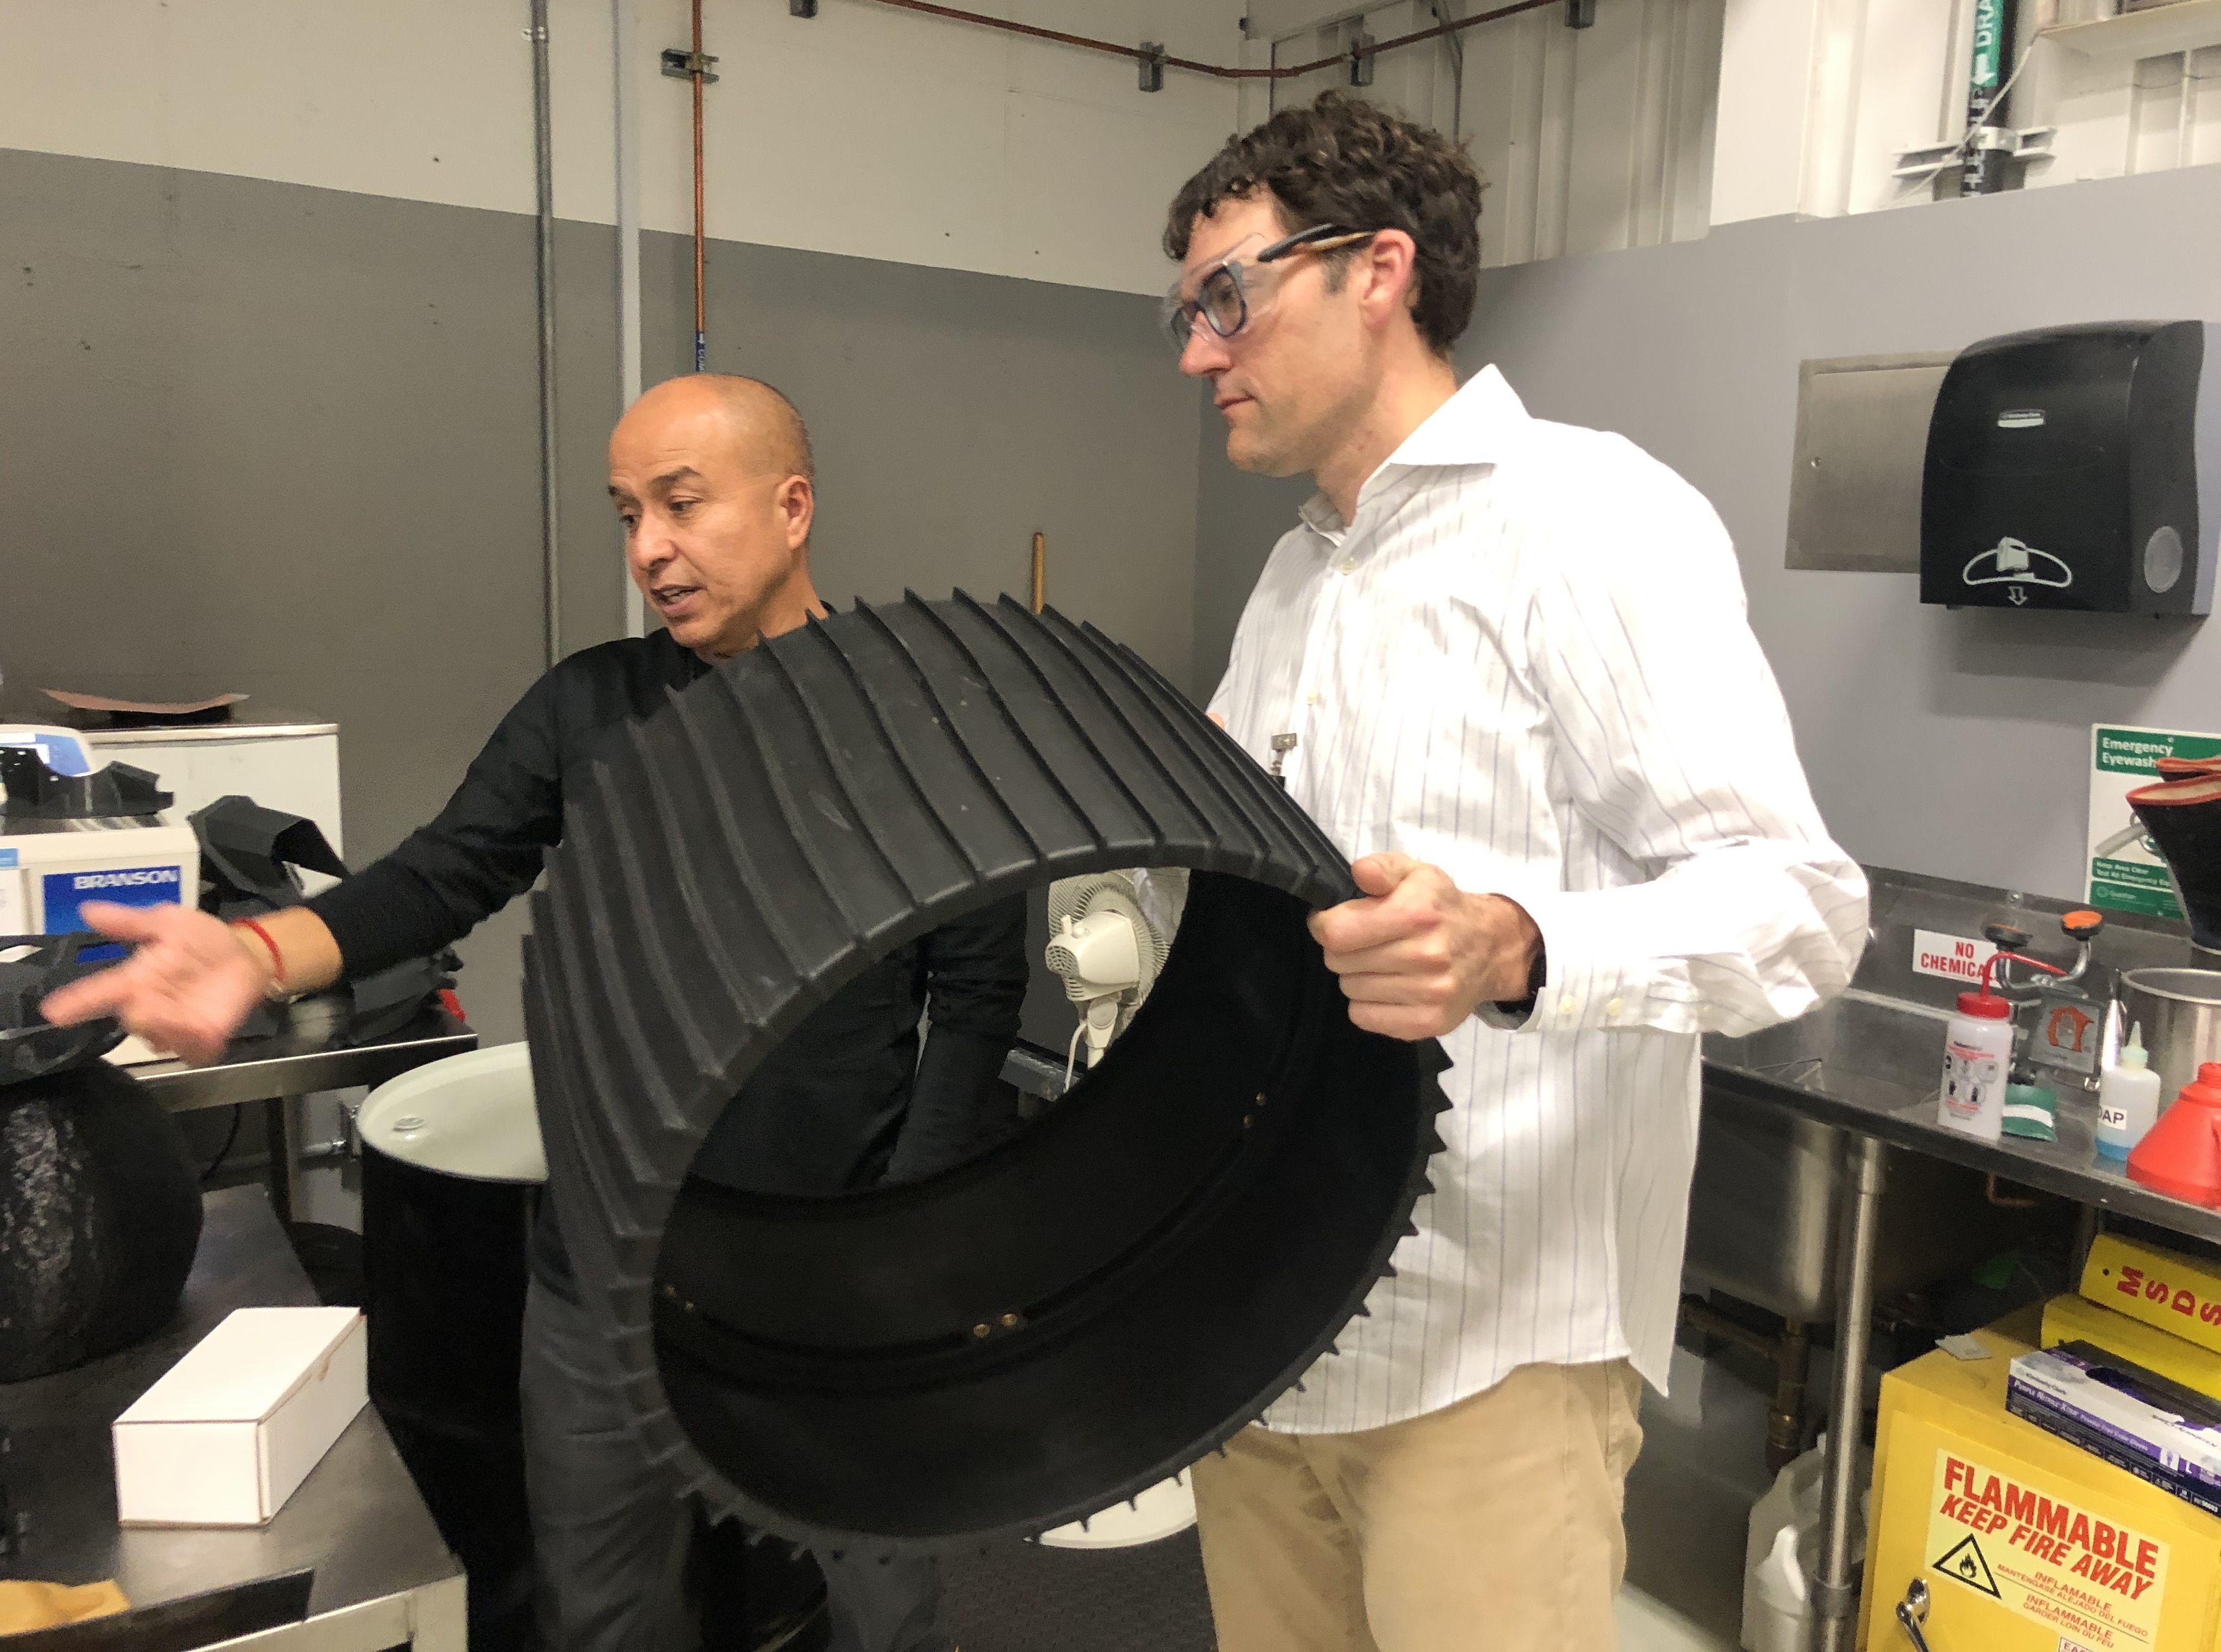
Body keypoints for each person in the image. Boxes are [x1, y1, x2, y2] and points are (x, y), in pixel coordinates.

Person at [42, 373, 1025, 1652]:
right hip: (603, 1278)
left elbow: (978, 988)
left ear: (793, 509)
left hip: (831, 1270)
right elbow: (445, 869)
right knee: (601, 1616)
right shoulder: (590, 706)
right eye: (626, 515)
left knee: (881, 1609)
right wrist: (263, 949)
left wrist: (910, 1224)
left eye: (681, 504)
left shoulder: (917, 722)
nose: (649, 551)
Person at [1162, 94, 1868, 1650]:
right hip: (1266, 1327)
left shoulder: (1585, 522)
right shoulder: (1297, 577)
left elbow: (1804, 908)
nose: (1200, 354)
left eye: (1230, 297)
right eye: (1188, 314)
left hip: (1484, 1360)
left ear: (1378, 272)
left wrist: (1514, 948)